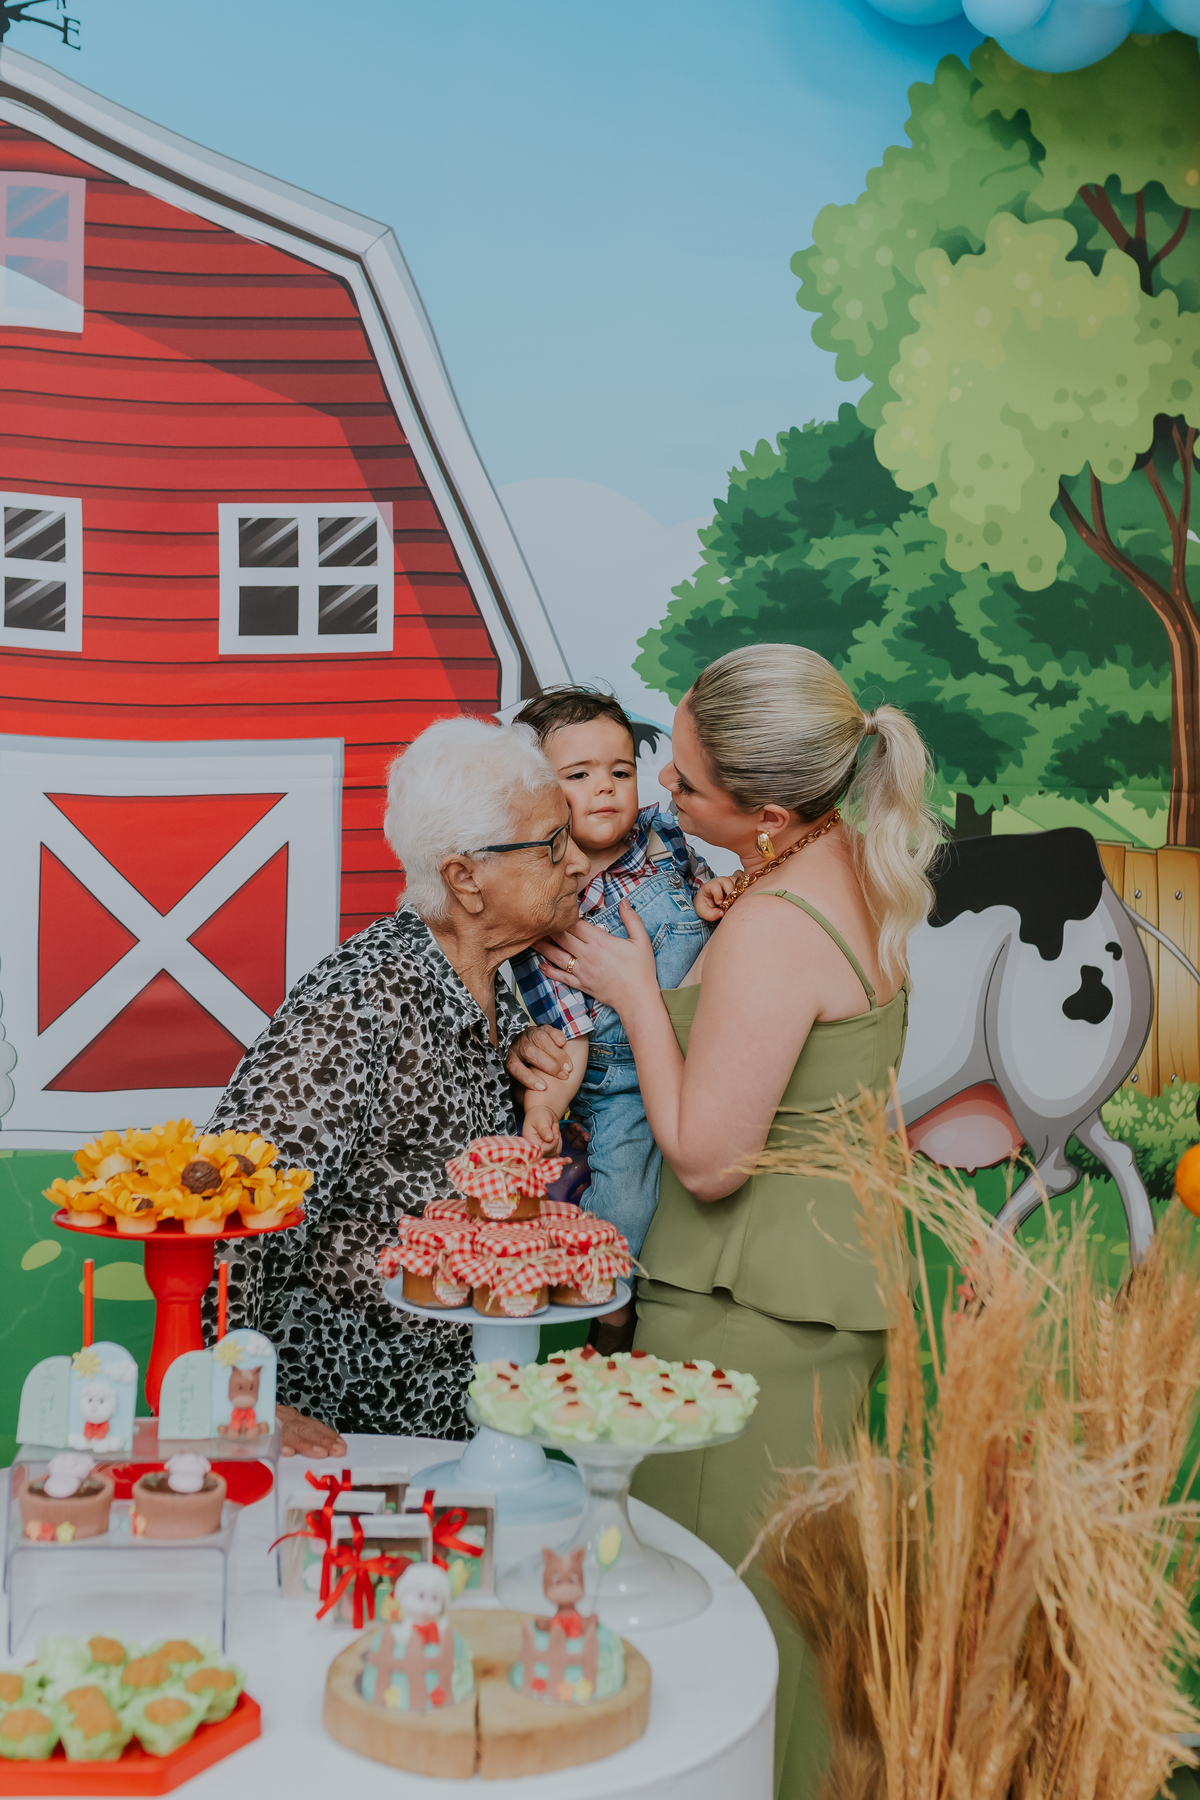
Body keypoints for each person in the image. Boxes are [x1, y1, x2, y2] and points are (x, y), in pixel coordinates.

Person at [513, 644, 941, 1799]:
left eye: (686, 785)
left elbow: (706, 1158)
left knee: (720, 1626)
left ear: (762, 811)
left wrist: (636, 992)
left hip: (750, 1310)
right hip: (817, 1291)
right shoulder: (849, 861)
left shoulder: (775, 921)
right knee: (784, 1621)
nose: (662, 796)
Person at [204, 715, 588, 1457]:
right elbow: (232, 1202)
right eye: (550, 845)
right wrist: (237, 1397)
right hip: (344, 1422)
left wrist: (537, 1085)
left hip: (450, 1406)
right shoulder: (361, 999)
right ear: (465, 878)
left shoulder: (495, 990)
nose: (575, 864)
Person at [506, 687, 721, 1347]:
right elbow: (565, 1032)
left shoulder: (665, 836)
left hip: (708, 1048)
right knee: (624, 1204)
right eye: (579, 776)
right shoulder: (546, 910)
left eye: (619, 771)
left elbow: (715, 890)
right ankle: (614, 1320)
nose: (606, 788)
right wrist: (546, 1108)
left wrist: (719, 895)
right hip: (618, 1084)